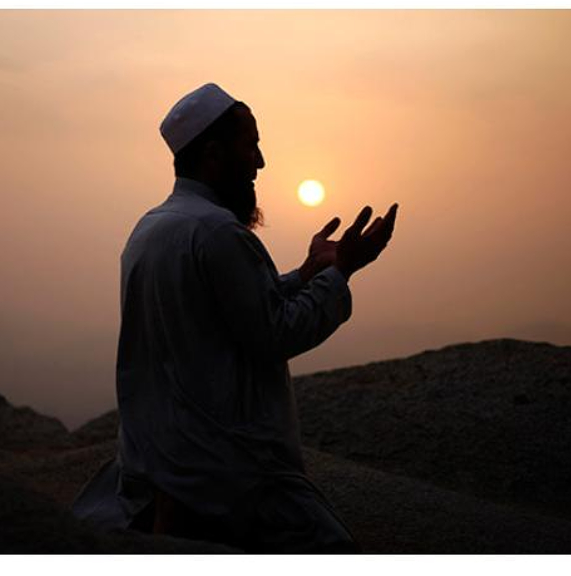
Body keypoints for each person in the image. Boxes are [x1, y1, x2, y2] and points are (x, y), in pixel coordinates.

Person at [71, 83, 398, 553]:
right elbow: (277, 332)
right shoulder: (217, 232)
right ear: (212, 154)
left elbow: (233, 308)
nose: (260, 162)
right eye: (250, 146)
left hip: (156, 464)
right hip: (222, 475)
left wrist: (308, 272)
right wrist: (342, 271)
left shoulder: (152, 227)